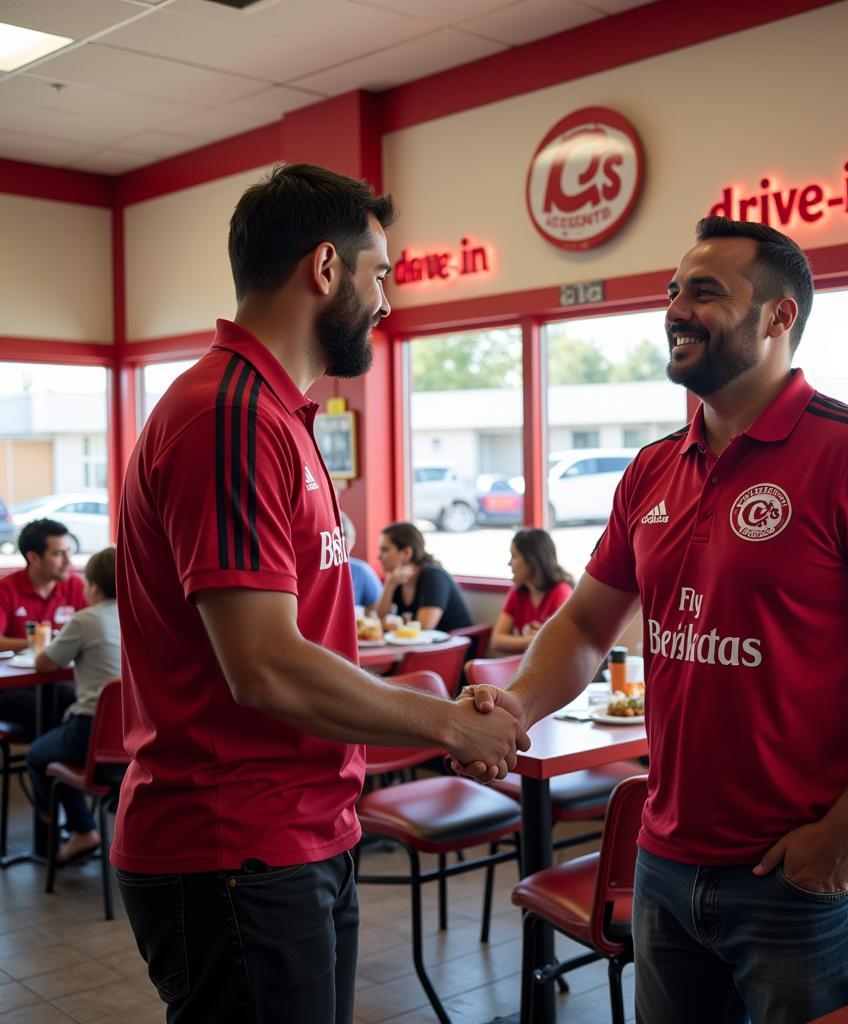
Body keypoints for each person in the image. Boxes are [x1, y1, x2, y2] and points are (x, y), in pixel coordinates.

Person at [458, 217, 848, 1024]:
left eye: (705, 291)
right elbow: (589, 624)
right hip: (666, 864)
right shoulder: (653, 467)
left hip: (801, 876)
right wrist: (521, 702)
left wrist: (847, 831)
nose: (675, 308)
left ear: (780, 317)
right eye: (672, 291)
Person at [111, 163, 523, 1024]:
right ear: (326, 269)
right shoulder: (226, 414)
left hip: (299, 830)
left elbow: (304, 648)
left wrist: (435, 702)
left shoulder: (279, 415)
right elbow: (263, 666)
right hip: (233, 846)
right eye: (379, 274)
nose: (385, 301)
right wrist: (444, 722)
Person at [26, 546, 120, 866]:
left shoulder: (84, 619)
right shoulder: (141, 614)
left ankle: (79, 829)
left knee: (38, 755)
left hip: (91, 730)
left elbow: (44, 663)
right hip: (135, 735)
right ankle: (91, 825)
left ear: (93, 586)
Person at [0, 518, 85, 729]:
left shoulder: (75, 586)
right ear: (33, 557)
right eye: (58, 554)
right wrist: (42, 642)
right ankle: (46, 758)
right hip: (14, 687)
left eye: (68, 551)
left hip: (60, 679)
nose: (68, 561)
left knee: (82, 700)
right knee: (54, 706)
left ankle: (55, 756)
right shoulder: (6, 589)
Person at [372, 521, 472, 632]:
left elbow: (425, 627)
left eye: (385, 550)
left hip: (456, 645)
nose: (379, 556)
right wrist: (389, 585)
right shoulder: (397, 579)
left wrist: (393, 626)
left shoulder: (433, 576)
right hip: (422, 646)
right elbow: (381, 620)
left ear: (406, 552)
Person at [492, 528, 573, 653]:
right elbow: (497, 641)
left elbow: (559, 643)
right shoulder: (517, 593)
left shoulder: (561, 593)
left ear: (533, 559)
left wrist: (532, 640)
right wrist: (537, 639)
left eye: (514, 556)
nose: (509, 563)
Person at [338, 510, 383, 609]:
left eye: (344, 536)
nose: (338, 542)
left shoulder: (361, 571)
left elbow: (377, 608)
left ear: (352, 541)